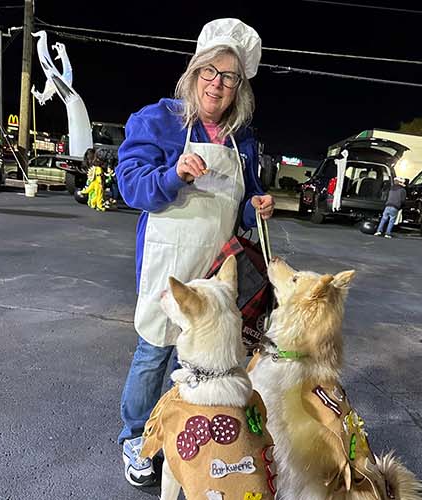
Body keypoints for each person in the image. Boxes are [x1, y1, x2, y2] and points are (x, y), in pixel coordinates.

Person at [112, 18, 271, 486]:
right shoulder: (156, 120)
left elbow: (243, 202)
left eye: (229, 77)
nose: (217, 84)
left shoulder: (242, 137)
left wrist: (256, 206)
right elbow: (131, 186)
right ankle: (137, 437)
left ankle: (193, 437)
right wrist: (172, 175)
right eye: (210, 71)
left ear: (240, 87)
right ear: (194, 71)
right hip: (170, 264)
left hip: (219, 270)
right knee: (154, 352)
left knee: (206, 365)